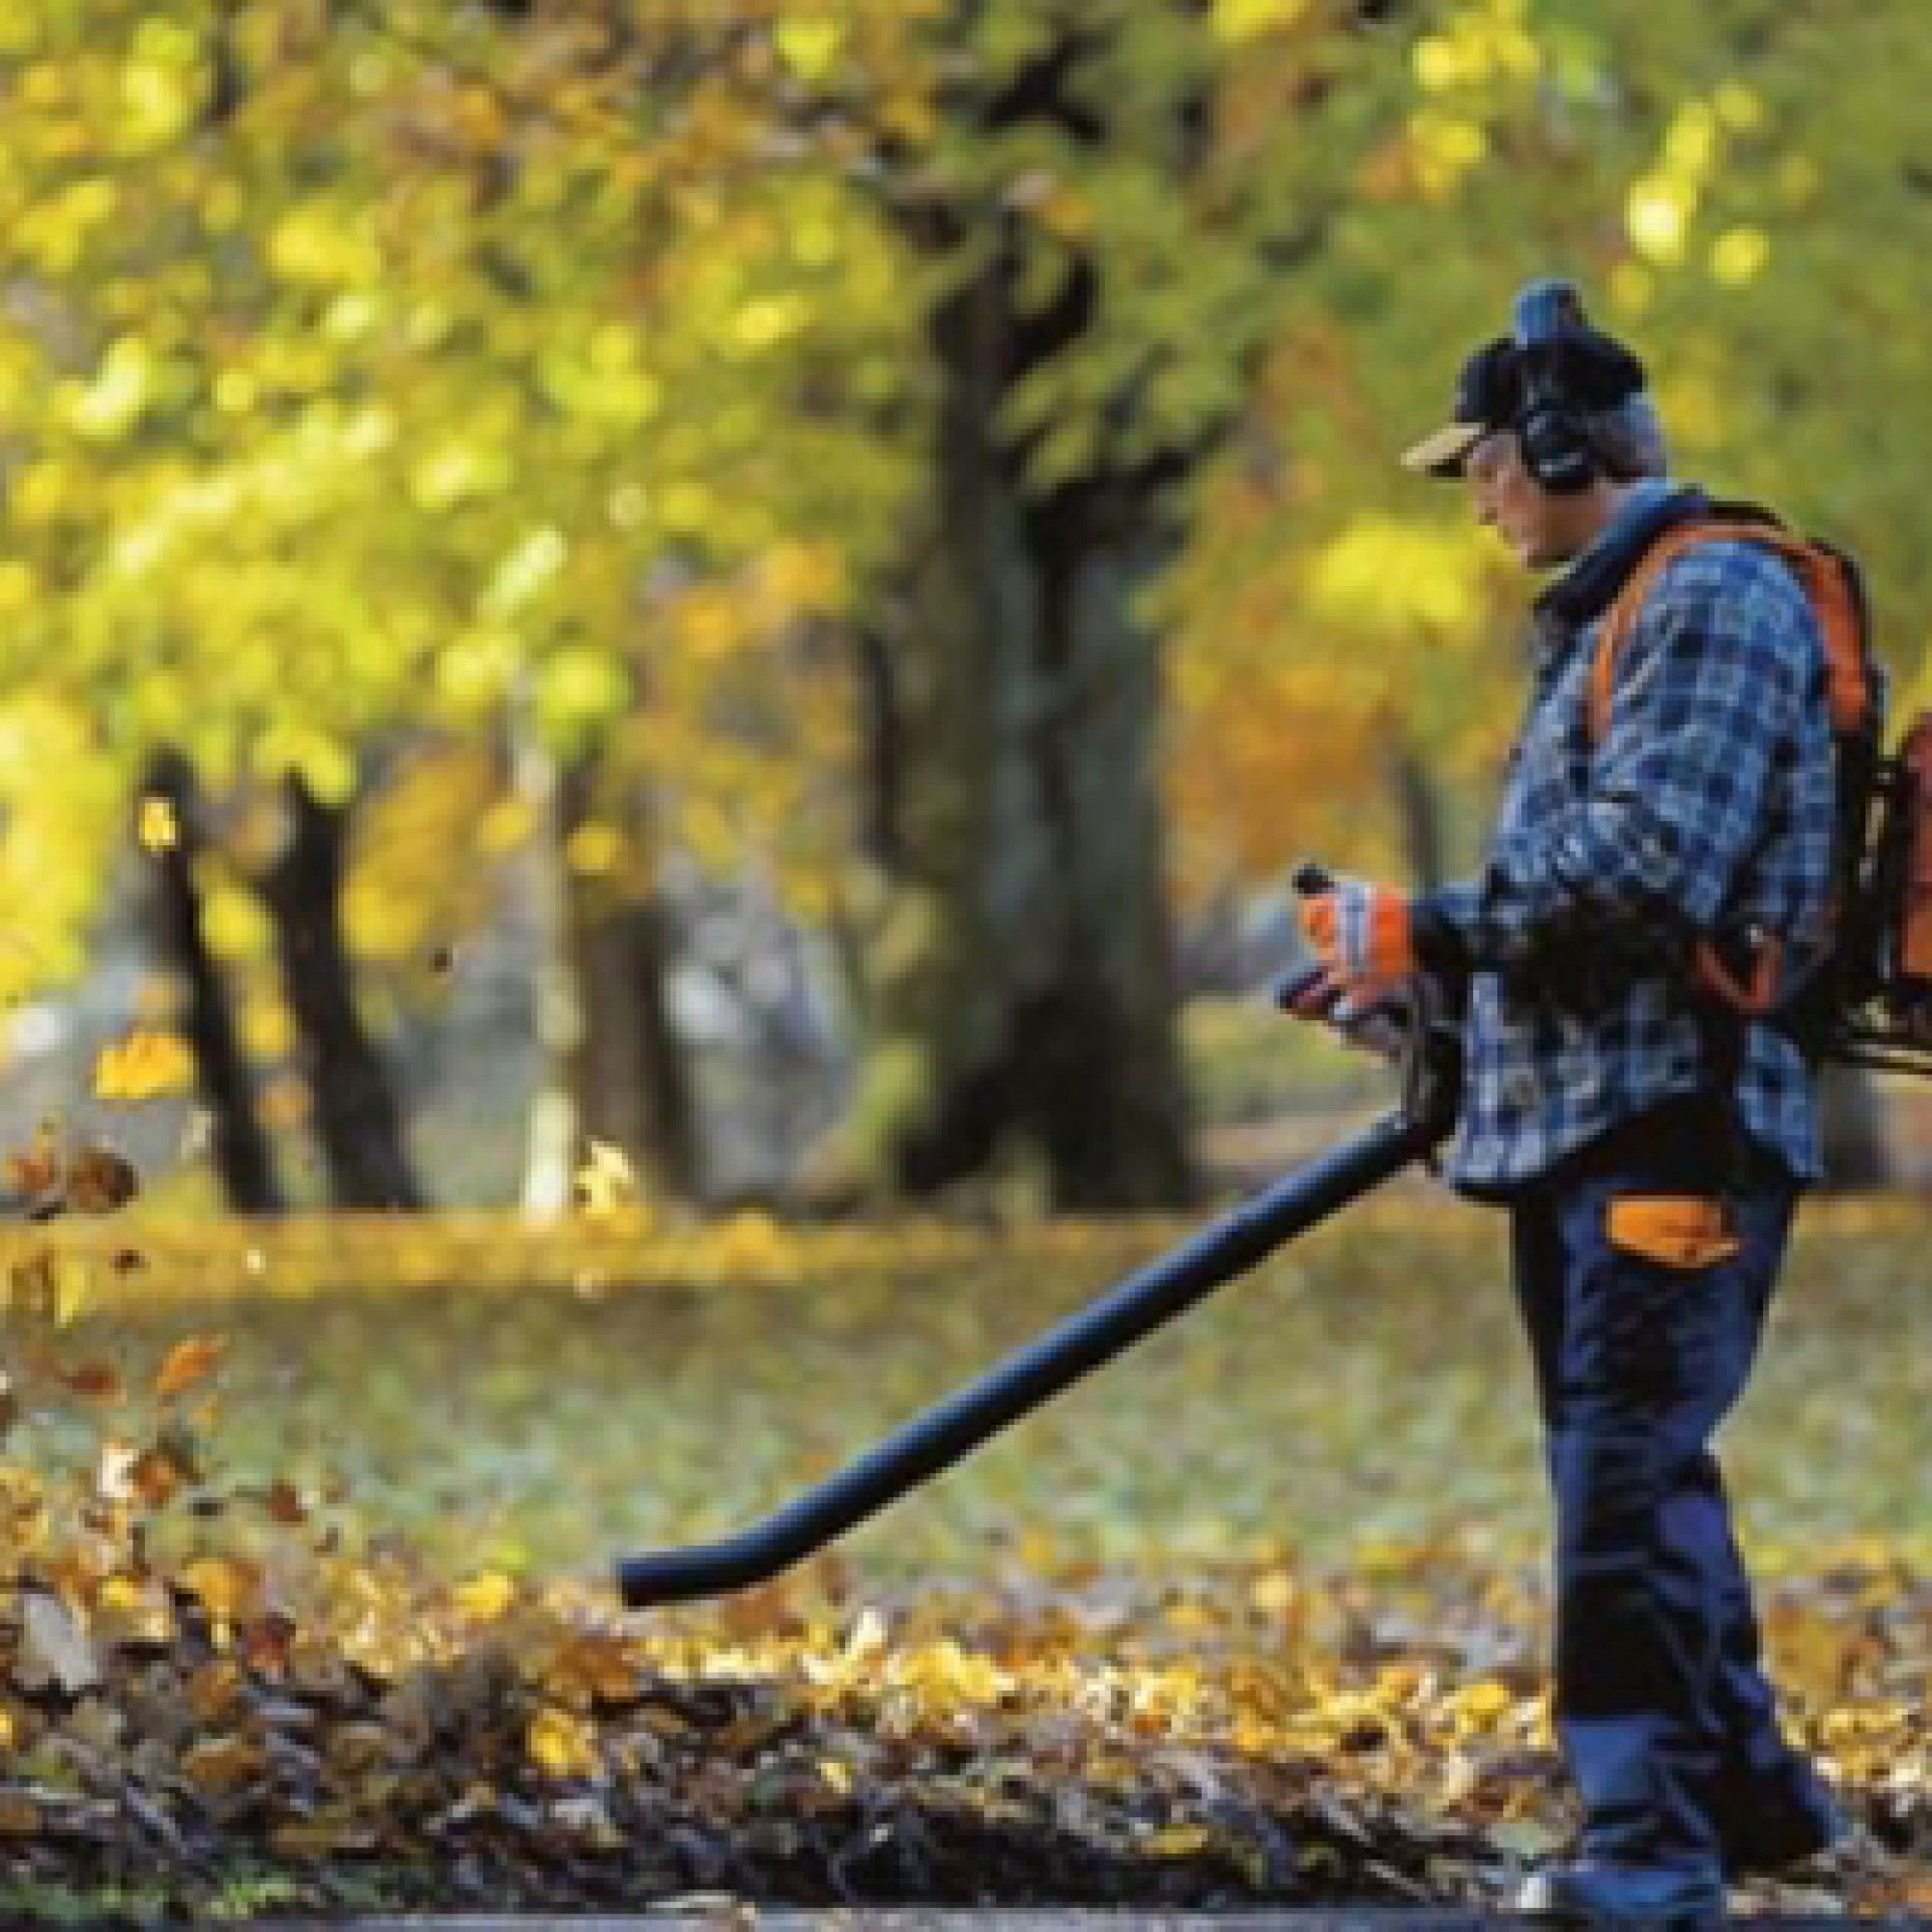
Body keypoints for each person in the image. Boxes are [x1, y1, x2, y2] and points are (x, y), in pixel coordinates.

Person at [1293, 283, 1844, 1925]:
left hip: (1680, 1122)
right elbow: (1575, 899)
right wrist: (1417, 985)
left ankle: (1650, 1860)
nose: (1473, 497)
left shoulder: (1716, 599)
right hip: (1589, 1122)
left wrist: (1434, 922)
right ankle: (1746, 1799)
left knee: (1623, 1484)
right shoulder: (1609, 621)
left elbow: (1655, 868)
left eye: (1483, 463)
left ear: (1561, 443)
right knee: (1633, 1471)